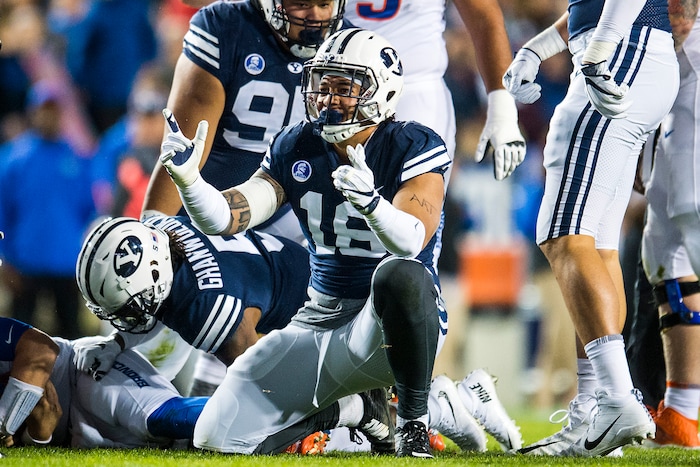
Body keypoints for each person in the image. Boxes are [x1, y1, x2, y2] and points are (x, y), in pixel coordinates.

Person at [156, 27, 483, 457]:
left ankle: (416, 420)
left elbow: (410, 242)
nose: (329, 99)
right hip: (318, 319)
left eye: (345, 87)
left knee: (400, 275)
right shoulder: (297, 144)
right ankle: (358, 412)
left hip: (387, 328)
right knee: (217, 437)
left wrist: (372, 203)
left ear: (381, 91)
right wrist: (190, 183)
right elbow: (229, 217)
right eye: (322, 85)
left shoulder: (412, 144)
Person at [73, 216, 520, 454]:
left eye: (126, 307)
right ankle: (430, 402)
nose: (125, 319)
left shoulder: (201, 300)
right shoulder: (166, 233)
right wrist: (118, 345)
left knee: (264, 438)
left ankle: (414, 407)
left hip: (331, 327)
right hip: (320, 296)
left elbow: (262, 380)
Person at [502, 0, 678, 457]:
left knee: (562, 232)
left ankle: (617, 398)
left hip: (621, 51)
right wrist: (537, 49)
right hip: (633, 51)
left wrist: (599, 50)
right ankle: (595, 409)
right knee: (595, 242)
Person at [637, 3, 700, 449]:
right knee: (662, 250)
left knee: (691, 214)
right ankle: (683, 410)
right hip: (676, 81)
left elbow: (680, 14)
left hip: (691, 64)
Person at [0, 316, 207, 448]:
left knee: (164, 418)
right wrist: (38, 437)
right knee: (183, 444)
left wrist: (4, 427)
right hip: (71, 435)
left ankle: (239, 403)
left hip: (82, 372)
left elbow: (42, 350)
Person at [0, 79, 96, 339]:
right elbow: (2, 213)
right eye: (44, 109)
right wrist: (5, 258)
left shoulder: (77, 158)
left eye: (54, 110)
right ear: (33, 112)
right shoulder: (13, 159)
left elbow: (90, 209)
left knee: (71, 337)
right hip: (25, 265)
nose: (49, 116)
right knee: (16, 337)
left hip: (66, 263)